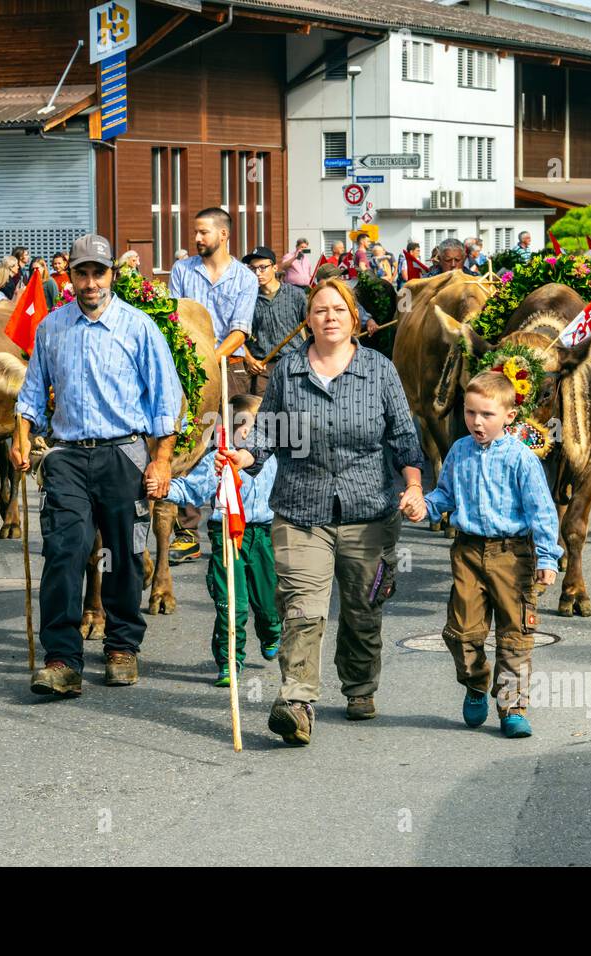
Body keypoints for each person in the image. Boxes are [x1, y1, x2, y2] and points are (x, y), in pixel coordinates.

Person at [218, 278, 426, 746]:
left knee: (362, 609)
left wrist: (413, 487)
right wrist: (243, 457)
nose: (329, 316)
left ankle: (358, 686)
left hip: (369, 511)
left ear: (354, 318)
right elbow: (267, 435)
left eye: (338, 309)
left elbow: (404, 440)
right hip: (301, 509)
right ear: (307, 320)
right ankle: (296, 701)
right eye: (319, 310)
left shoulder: (379, 370)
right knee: (302, 609)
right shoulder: (289, 372)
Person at [10, 234, 184, 697]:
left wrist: (161, 461)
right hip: (66, 454)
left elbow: (166, 401)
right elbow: (32, 394)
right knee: (64, 550)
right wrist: (22, 435)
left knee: (125, 555)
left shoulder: (139, 328)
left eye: (98, 272)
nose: (90, 282)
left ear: (112, 275)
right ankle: (62, 660)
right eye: (81, 273)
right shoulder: (52, 327)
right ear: (70, 277)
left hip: (124, 453)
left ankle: (122, 646)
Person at [417, 372, 562, 739]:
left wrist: (547, 557)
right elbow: (444, 496)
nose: (477, 422)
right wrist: (424, 506)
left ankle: (512, 707)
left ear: (509, 416)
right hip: (467, 551)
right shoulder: (459, 451)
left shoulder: (521, 459)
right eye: (470, 413)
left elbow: (541, 511)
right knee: (461, 632)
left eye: (487, 415)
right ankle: (476, 683)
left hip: (512, 555)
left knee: (515, 634)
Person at [151, 393, 281, 686]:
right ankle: (229, 659)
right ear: (228, 428)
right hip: (227, 535)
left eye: (256, 425)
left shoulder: (274, 458)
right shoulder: (218, 460)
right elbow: (191, 491)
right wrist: (162, 488)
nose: (248, 432)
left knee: (268, 600)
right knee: (231, 602)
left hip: (263, 535)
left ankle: (271, 630)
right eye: (242, 425)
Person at [168, 207, 258, 564]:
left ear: (224, 235)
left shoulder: (244, 278)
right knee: (188, 444)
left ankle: (230, 521)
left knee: (233, 443)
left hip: (227, 366)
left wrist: (209, 359)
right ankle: (186, 531)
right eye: (195, 232)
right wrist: (195, 365)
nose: (197, 238)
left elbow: (240, 330)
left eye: (204, 232)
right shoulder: (181, 270)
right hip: (187, 371)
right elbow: (175, 320)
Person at [241, 245, 307, 397]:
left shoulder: (296, 294)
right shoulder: (247, 299)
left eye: (263, 267)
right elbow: (237, 335)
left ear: (275, 268)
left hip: (294, 364)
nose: (257, 273)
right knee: (263, 416)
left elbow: (313, 329)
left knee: (295, 414)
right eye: (253, 268)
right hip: (263, 367)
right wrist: (250, 360)